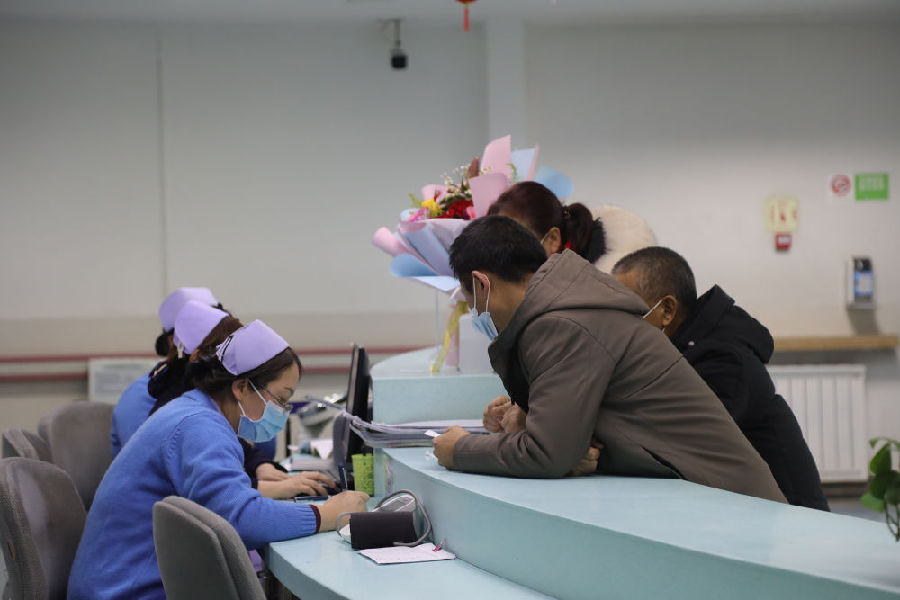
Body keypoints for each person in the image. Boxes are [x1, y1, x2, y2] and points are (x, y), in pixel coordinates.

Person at [432, 215, 786, 503]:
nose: (475, 313)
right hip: (711, 496)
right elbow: (567, 442)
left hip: (732, 503)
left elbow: (547, 453)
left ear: (482, 284)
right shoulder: (566, 309)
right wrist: (534, 424)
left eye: (469, 300)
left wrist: (459, 448)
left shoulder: (561, 324)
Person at [68, 320, 369, 599]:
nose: (282, 410)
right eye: (280, 398)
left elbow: (229, 507)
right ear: (241, 387)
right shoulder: (199, 426)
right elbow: (241, 520)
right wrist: (326, 515)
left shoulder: (194, 412)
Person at [611, 246, 829, 510]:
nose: (618, 322)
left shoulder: (724, 360)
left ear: (667, 310)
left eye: (629, 310)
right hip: (748, 509)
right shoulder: (681, 351)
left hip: (788, 516)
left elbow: (679, 446)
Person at [150, 300, 334, 499]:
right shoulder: (194, 417)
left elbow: (237, 451)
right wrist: (320, 511)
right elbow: (222, 492)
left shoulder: (205, 408)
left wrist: (261, 466)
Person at [110, 287, 222, 458]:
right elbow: (151, 461)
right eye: (208, 331)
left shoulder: (222, 385)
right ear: (174, 341)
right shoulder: (143, 396)